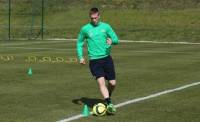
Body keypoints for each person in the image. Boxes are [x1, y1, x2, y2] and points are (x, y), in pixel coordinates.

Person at [76, 7, 119, 114]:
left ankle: (108, 95)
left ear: (99, 16)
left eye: (95, 18)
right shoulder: (85, 29)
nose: (94, 20)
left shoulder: (106, 27)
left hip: (107, 59)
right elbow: (79, 43)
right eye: (92, 18)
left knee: (112, 83)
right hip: (94, 61)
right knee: (101, 83)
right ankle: (109, 103)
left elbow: (116, 39)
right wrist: (81, 56)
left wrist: (112, 41)